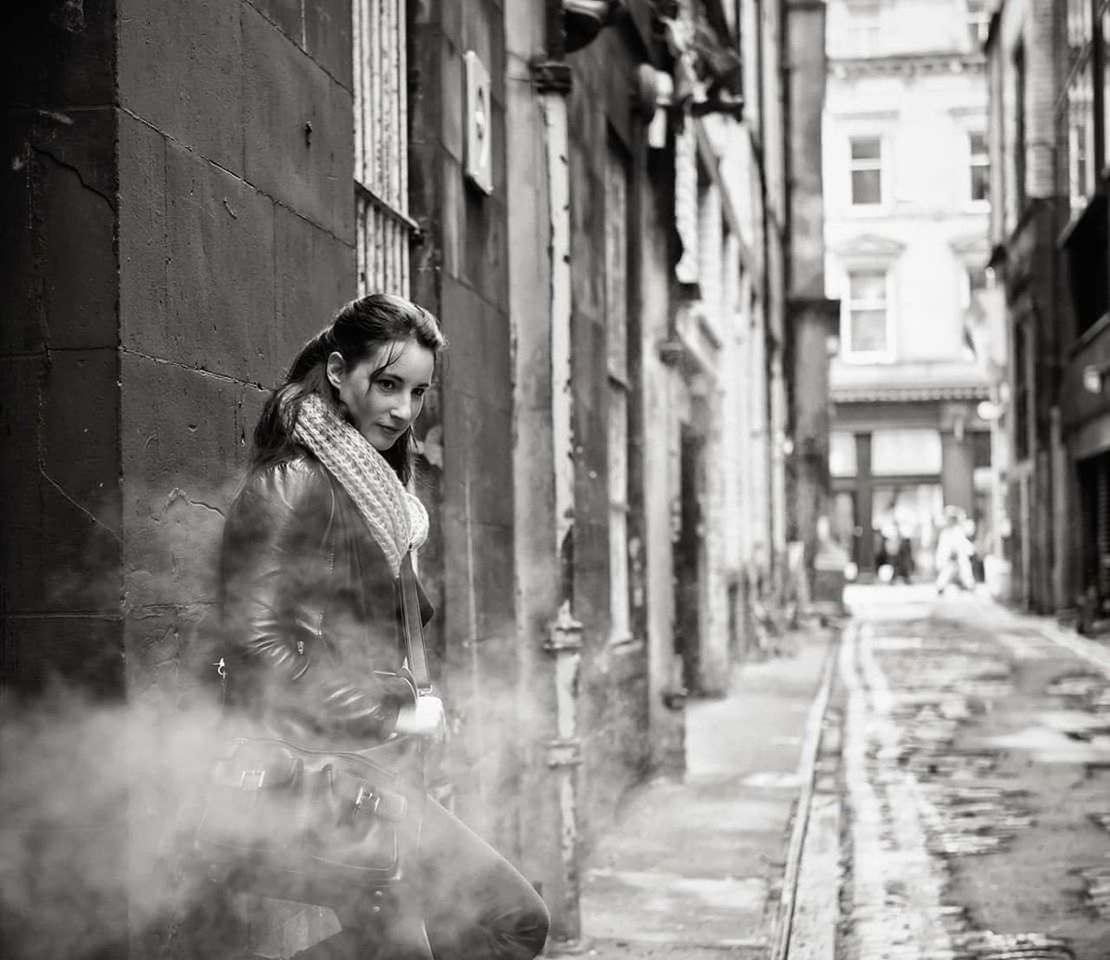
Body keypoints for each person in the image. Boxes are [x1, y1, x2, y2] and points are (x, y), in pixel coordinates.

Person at [217, 294, 549, 959]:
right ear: (339, 374)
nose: (403, 409)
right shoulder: (292, 485)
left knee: (515, 922)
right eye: (387, 383)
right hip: (323, 778)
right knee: (493, 928)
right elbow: (254, 644)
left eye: (418, 391)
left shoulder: (379, 495)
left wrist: (413, 704)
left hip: (381, 776)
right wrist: (391, 711)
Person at [934, 507, 975, 595]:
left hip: (960, 555)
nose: (950, 521)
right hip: (950, 557)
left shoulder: (959, 530)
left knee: (965, 568)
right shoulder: (946, 532)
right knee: (947, 570)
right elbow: (944, 548)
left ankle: (969, 584)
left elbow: (963, 542)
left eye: (952, 519)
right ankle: (940, 586)